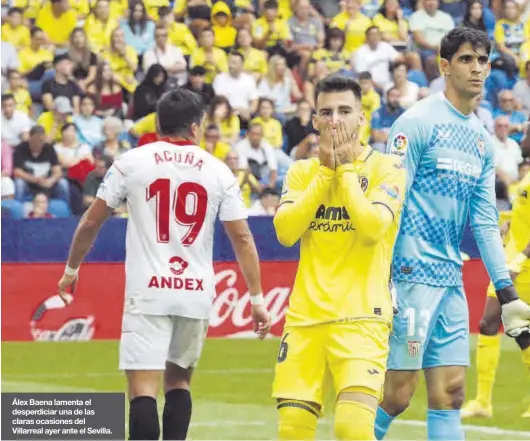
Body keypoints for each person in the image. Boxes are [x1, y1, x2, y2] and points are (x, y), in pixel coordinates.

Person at [56, 88, 272, 441]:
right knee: (178, 381)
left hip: (148, 291)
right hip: (196, 292)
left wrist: (71, 270)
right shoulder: (219, 172)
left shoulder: (132, 162)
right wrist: (257, 299)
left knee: (143, 387)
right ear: (195, 127)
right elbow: (243, 239)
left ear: (157, 125)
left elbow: (91, 222)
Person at [374, 27, 530, 441]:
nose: (476, 68)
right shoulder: (415, 123)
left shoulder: (482, 142)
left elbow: (485, 222)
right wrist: (383, 276)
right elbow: (389, 204)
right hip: (409, 275)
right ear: (444, 65)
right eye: (467, 59)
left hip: (450, 280)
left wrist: (508, 292)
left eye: (483, 60)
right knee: (398, 394)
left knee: (451, 394)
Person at [272, 74, 406, 440]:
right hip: (305, 319)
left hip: (362, 318)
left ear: (362, 117)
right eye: (326, 112)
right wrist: (326, 173)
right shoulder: (302, 172)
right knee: (293, 431)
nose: (335, 120)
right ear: (314, 120)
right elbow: (285, 232)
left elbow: (372, 227)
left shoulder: (386, 169)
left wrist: (345, 171)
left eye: (345, 111)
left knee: (352, 429)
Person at [462, 111, 530, 420]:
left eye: (526, 134)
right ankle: (483, 401)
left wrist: (521, 259)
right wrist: (508, 227)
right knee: (489, 324)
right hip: (511, 259)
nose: (522, 138)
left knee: (517, 328)